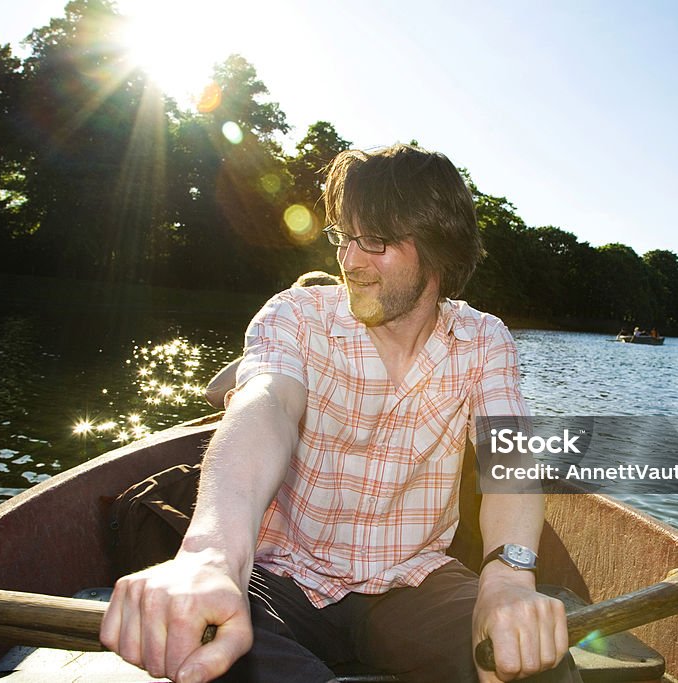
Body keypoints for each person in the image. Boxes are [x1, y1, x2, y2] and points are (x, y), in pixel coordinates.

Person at [100, 144, 580, 683]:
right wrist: (211, 553)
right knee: (207, 649)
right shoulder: (296, 315)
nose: (350, 261)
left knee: (536, 666)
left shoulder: (484, 339)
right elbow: (267, 404)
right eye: (344, 237)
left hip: (412, 581)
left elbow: (509, 457)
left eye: (373, 240)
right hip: (281, 577)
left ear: (438, 248)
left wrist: (508, 580)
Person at [204, 271, 341, 409]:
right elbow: (214, 395)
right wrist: (268, 347)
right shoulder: (284, 353)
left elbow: (214, 395)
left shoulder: (344, 354)